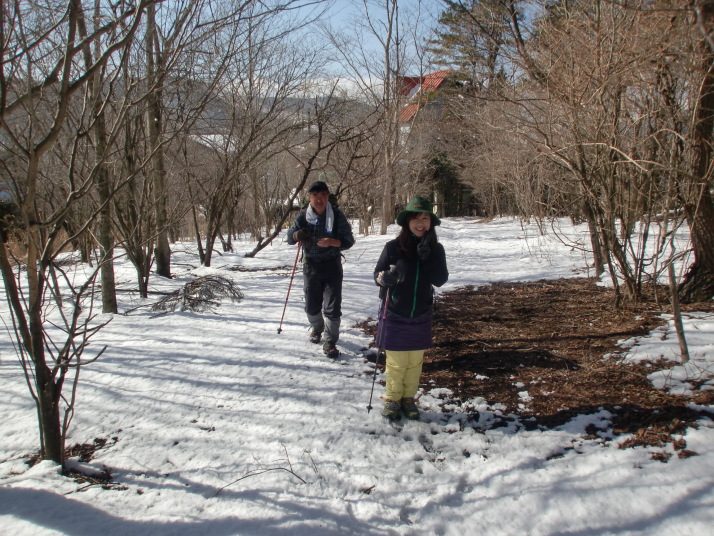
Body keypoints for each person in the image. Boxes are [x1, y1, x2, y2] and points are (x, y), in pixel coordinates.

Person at [373, 197, 449, 419]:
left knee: (415, 362)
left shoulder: (437, 249)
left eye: (425, 218)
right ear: (407, 222)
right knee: (396, 363)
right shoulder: (392, 248)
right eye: (415, 218)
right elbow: (377, 275)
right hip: (395, 311)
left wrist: (427, 259)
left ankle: (408, 398)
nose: (420, 223)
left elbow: (440, 280)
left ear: (430, 223)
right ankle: (393, 399)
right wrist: (383, 277)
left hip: (421, 312)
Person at [287, 181, 355, 358]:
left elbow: (348, 241)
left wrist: (332, 242)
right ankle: (317, 328)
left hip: (332, 264)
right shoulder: (303, 216)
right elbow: (290, 238)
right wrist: (297, 235)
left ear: (327, 197)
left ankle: (330, 341)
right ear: (309, 198)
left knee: (332, 306)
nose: (319, 199)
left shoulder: (337, 215)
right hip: (310, 265)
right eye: (315, 196)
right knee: (311, 304)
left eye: (323, 195)